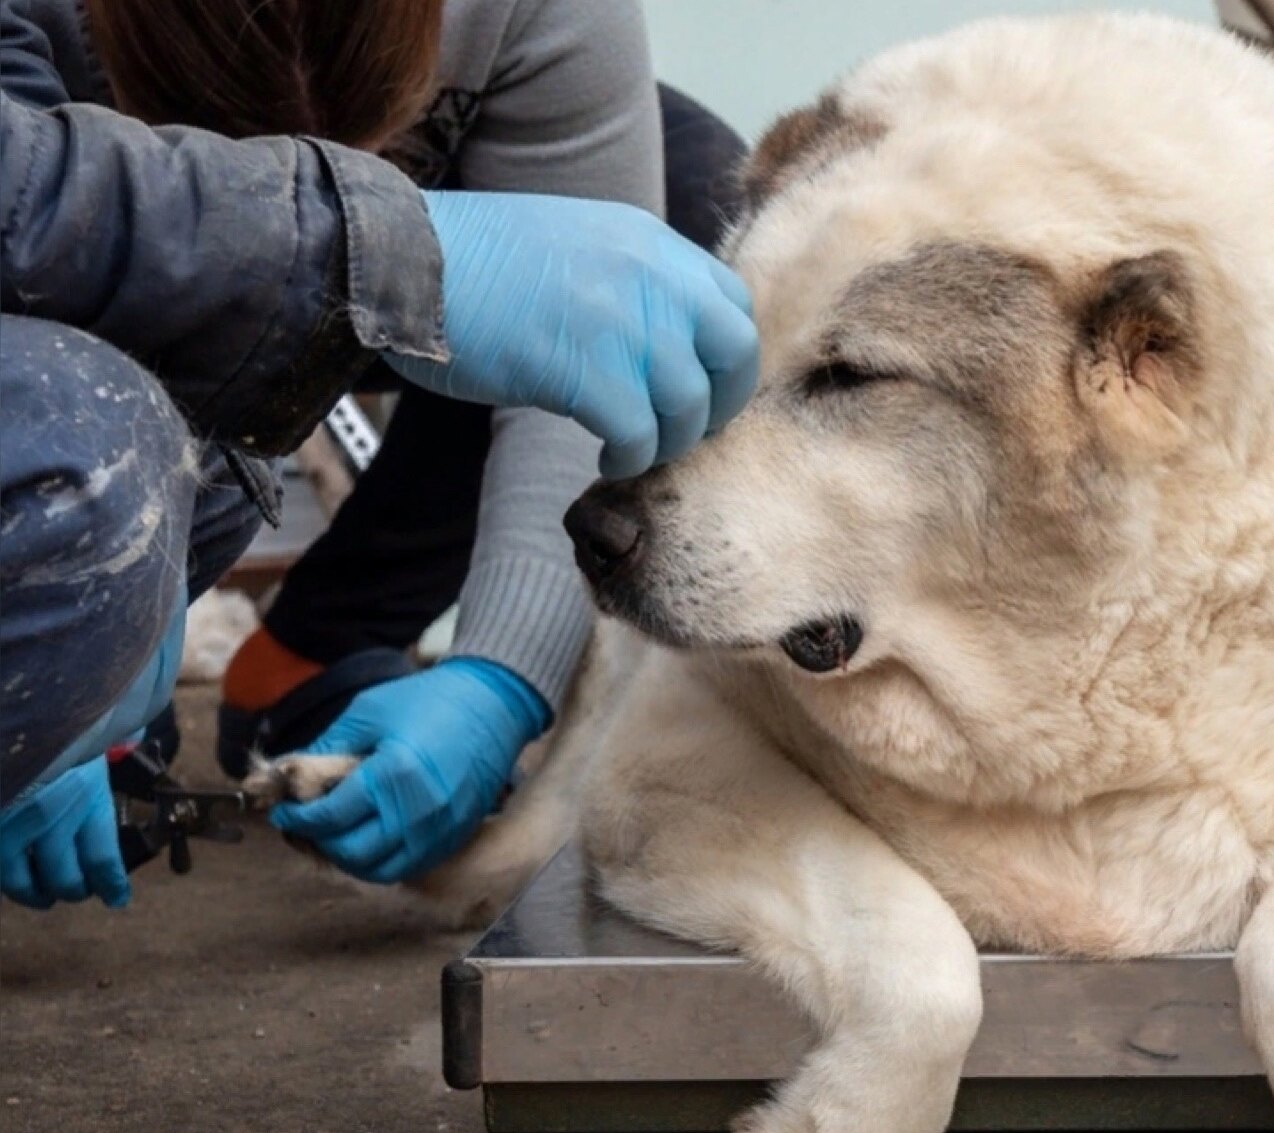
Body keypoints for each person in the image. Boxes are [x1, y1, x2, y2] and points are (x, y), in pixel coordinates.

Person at [0, 0, 759, 909]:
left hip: (404, 285)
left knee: (686, 208)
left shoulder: (540, 17)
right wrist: (59, 638)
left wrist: (502, 676)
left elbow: (593, 395)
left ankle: (318, 644)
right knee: (97, 457)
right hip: (63, 279)